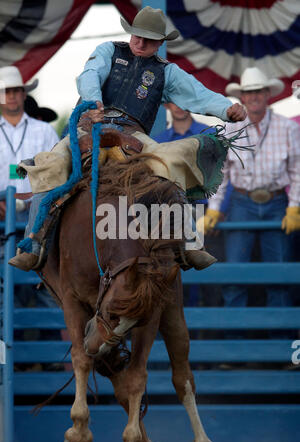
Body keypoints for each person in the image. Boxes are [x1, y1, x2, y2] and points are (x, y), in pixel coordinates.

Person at [9, 6, 246, 272]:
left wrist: (226, 109)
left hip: (133, 134)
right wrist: (92, 102)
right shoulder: (109, 50)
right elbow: (91, 74)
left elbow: (198, 94)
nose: (140, 42)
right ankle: (33, 243)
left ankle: (190, 241)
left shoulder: (166, 72)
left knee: (169, 165)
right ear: (130, 33)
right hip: (88, 128)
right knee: (50, 165)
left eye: (148, 39)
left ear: (160, 43)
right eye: (137, 36)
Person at [202, 66, 300, 310]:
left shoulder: (288, 128)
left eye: (259, 91)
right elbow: (221, 175)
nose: (254, 96)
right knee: (236, 275)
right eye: (249, 92)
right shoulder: (230, 130)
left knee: (278, 275)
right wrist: (214, 209)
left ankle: (282, 340)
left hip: (277, 204)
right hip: (241, 204)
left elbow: (298, 172)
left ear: (268, 94)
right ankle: (234, 343)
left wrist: (294, 207)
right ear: (242, 97)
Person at [0, 65, 59, 309]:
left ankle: (52, 346)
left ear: (24, 94)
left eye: (16, 90)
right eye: (6, 91)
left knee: (46, 289)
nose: (11, 96)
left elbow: (58, 173)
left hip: (38, 225)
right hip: (1, 223)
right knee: (4, 294)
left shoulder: (44, 131)